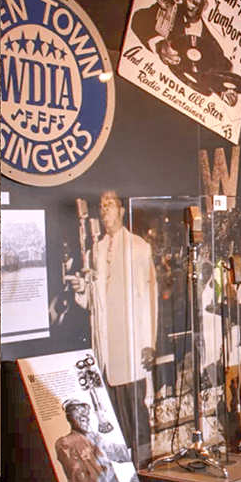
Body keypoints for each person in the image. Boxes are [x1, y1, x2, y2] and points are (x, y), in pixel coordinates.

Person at [72, 191, 157, 464]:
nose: (104, 210)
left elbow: (150, 297)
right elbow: (91, 302)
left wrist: (149, 343)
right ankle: (122, 468)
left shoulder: (139, 248)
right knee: (112, 411)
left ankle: (145, 467)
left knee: (135, 410)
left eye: (110, 205)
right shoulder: (94, 251)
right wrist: (81, 289)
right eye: (101, 206)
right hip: (106, 346)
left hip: (131, 343)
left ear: (121, 210)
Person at [130, 0, 239, 105]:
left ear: (205, 6)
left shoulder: (213, 45)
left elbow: (222, 68)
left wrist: (225, 89)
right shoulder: (167, 10)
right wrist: (158, 44)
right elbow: (139, 18)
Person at [54, 399, 141, 482]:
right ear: (69, 417)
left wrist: (148, 452)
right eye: (77, 411)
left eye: (86, 412)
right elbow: (82, 481)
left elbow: (118, 452)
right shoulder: (65, 443)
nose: (85, 416)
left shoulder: (94, 437)